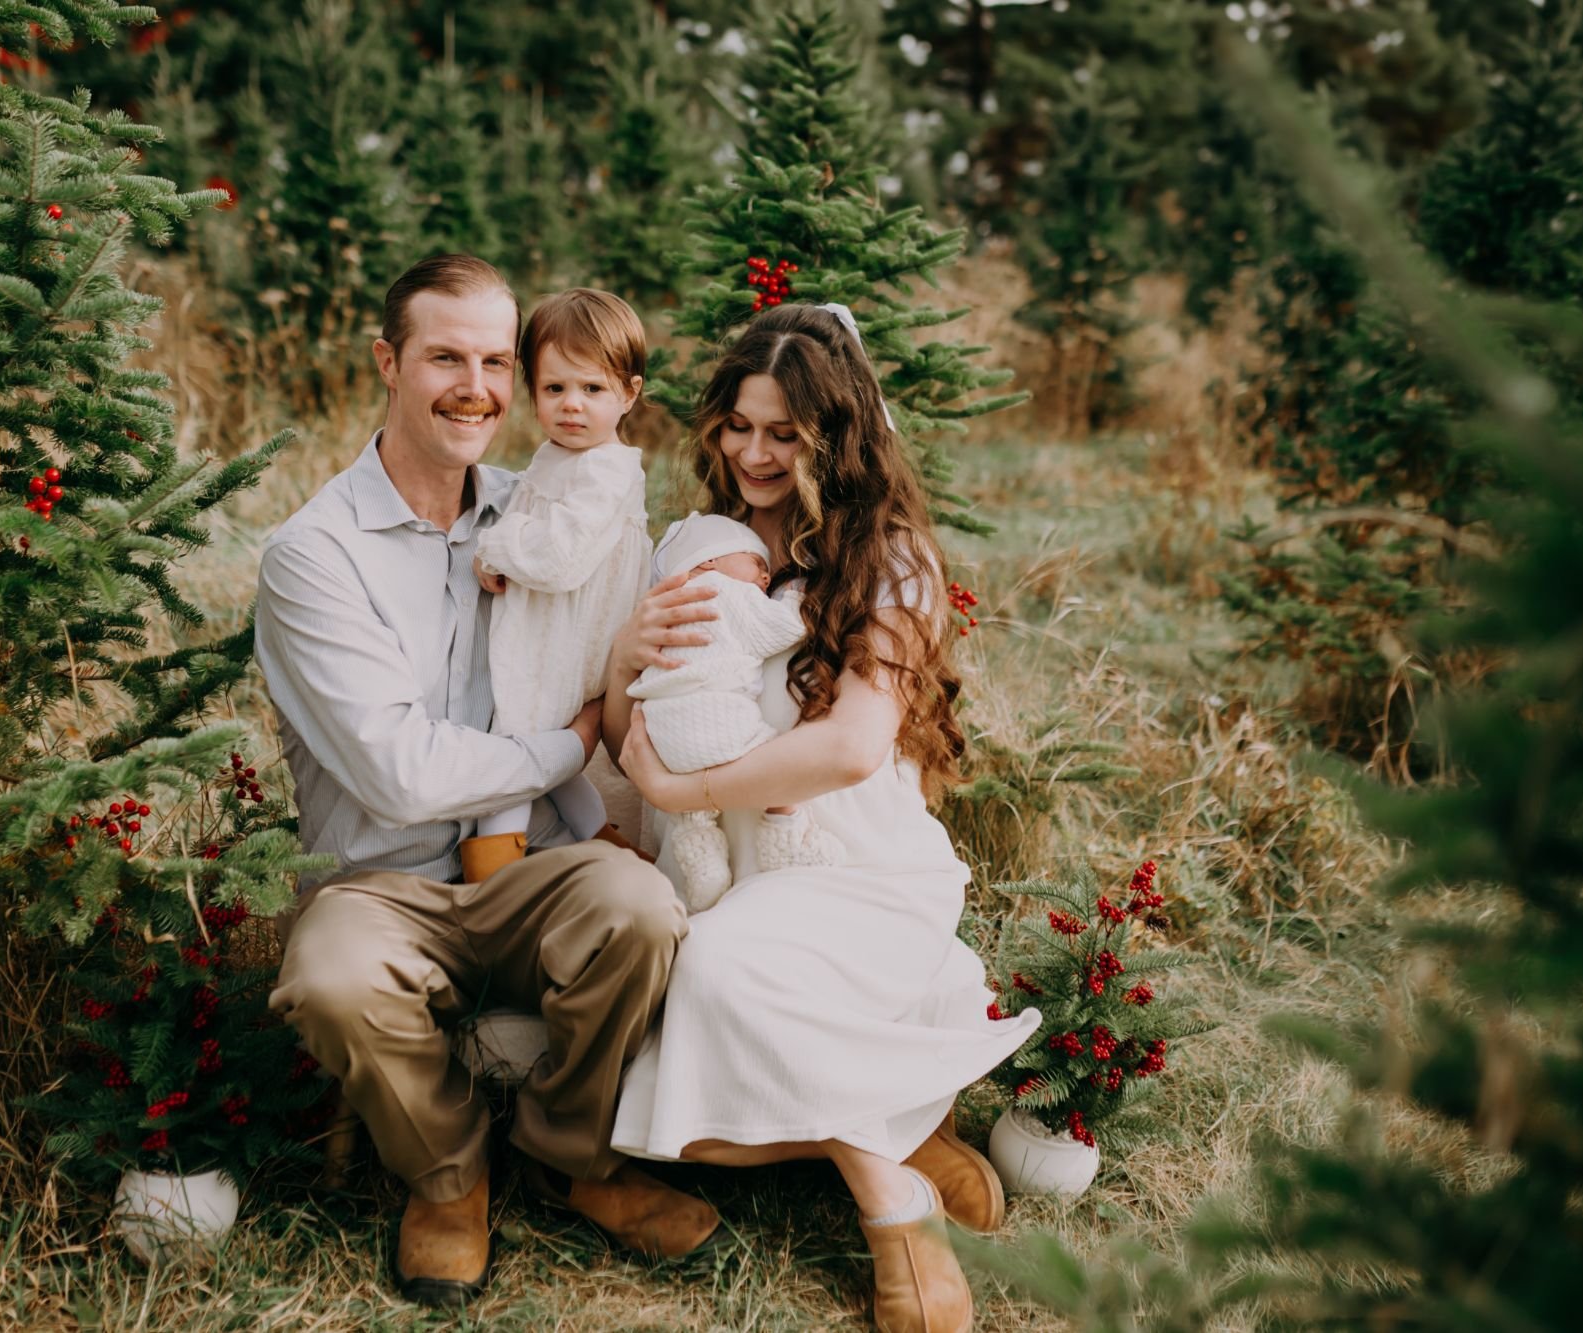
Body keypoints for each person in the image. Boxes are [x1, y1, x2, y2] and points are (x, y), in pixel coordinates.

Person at [254, 255, 718, 1309]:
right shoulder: (314, 556)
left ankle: (569, 1155)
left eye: (496, 362)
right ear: (388, 362)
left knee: (640, 907)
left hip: (531, 865)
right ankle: (447, 1175)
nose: (476, 388)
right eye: (445, 359)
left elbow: (620, 615)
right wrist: (567, 745)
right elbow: (400, 771)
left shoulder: (538, 508)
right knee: (331, 979)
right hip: (383, 883)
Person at [603, 303, 1040, 1333]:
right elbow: (635, 731)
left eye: (783, 434)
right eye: (737, 426)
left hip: (855, 871)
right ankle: (901, 1130)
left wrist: (681, 793)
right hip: (730, 874)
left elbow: (849, 746)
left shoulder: (889, 560)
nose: (752, 454)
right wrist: (625, 655)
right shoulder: (694, 548)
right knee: (677, 1088)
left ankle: (891, 1205)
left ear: (834, 439)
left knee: (719, 974)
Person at [466, 288, 653, 882]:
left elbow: (560, 559)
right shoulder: (560, 454)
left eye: (592, 389)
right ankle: (611, 845)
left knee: (514, 756)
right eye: (554, 389)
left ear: (629, 393)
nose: (571, 405)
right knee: (554, 759)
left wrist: (494, 546)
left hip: (568, 644)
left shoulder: (606, 470)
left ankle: (490, 884)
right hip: (550, 632)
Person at [625, 512, 843, 910]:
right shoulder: (723, 591)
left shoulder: (663, 607)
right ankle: (787, 836)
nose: (765, 576)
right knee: (780, 760)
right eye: (756, 563)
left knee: (691, 812)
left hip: (662, 734)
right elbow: (783, 628)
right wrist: (796, 595)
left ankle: (703, 863)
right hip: (717, 719)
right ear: (710, 561)